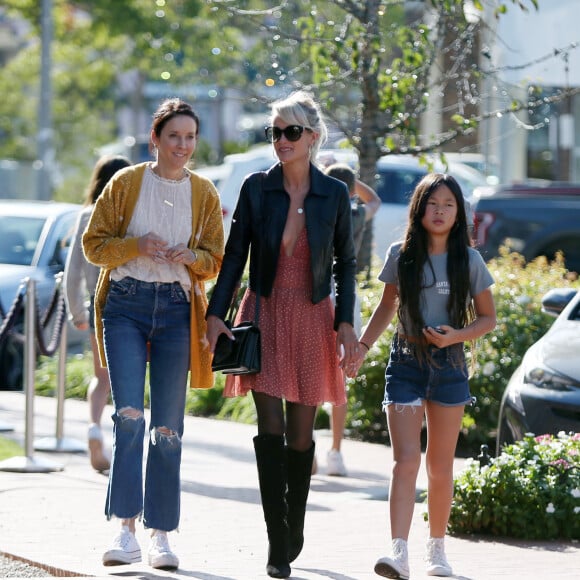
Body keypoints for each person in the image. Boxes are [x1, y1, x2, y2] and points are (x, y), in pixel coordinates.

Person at [206, 90, 359, 579]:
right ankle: (277, 541)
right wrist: (216, 312)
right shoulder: (256, 188)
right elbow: (235, 257)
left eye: (291, 132)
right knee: (269, 428)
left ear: (312, 137)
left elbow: (346, 264)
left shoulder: (333, 194)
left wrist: (346, 322)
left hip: (314, 316)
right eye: (275, 132)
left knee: (300, 434)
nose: (281, 140)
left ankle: (294, 527)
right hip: (265, 313)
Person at [82, 98, 224, 571]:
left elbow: (215, 259)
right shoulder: (126, 183)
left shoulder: (203, 192)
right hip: (125, 305)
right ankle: (125, 529)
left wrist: (191, 258)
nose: (182, 145)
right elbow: (93, 245)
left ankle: (161, 534)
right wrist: (136, 246)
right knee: (128, 416)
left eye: (190, 138)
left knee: (168, 427)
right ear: (155, 140)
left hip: (177, 313)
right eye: (174, 137)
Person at [348, 173, 496, 579]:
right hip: (406, 363)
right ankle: (398, 552)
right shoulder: (401, 254)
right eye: (433, 203)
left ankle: (437, 550)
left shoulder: (469, 260)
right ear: (419, 209)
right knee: (405, 461)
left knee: (440, 464)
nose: (440, 211)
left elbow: (488, 319)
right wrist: (361, 348)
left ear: (459, 212)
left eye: (449, 204)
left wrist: (457, 336)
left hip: (450, 367)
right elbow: (386, 307)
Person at [64, 154, 131, 473]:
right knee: (126, 379)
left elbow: (73, 270)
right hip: (131, 302)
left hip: (98, 304)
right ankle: (124, 442)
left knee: (100, 376)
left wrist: (77, 311)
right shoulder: (129, 212)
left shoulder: (87, 215)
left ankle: (94, 426)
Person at [322, 162, 381, 476]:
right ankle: (336, 451)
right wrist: (355, 183)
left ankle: (303, 446)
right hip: (347, 296)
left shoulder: (316, 209)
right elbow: (375, 202)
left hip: (317, 294)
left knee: (308, 369)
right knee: (340, 375)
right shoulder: (355, 213)